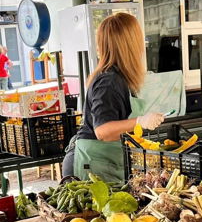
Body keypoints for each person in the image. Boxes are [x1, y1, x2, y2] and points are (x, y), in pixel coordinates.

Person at [62, 12, 164, 183]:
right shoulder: (108, 81)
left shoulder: (119, 77)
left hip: (103, 161)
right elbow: (103, 131)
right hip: (90, 163)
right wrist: (139, 121)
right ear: (129, 43)